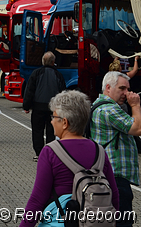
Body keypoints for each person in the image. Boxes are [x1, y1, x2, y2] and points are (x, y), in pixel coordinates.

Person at [20, 90, 119, 227]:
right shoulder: (100, 151)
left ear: (65, 122)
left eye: (54, 116)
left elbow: (37, 200)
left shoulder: (50, 152)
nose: (52, 121)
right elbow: (114, 195)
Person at [91, 71, 141, 227]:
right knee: (122, 222)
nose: (126, 93)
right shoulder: (109, 110)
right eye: (122, 89)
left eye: (128, 89)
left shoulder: (101, 105)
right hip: (116, 176)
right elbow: (137, 128)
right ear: (108, 88)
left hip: (108, 175)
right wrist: (136, 105)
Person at [23, 51, 66, 161]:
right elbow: (63, 92)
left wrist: (26, 106)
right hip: (53, 109)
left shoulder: (36, 73)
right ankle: (51, 152)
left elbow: (30, 91)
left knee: (37, 130)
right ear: (53, 62)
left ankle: (39, 153)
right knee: (52, 131)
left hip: (38, 107)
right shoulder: (58, 75)